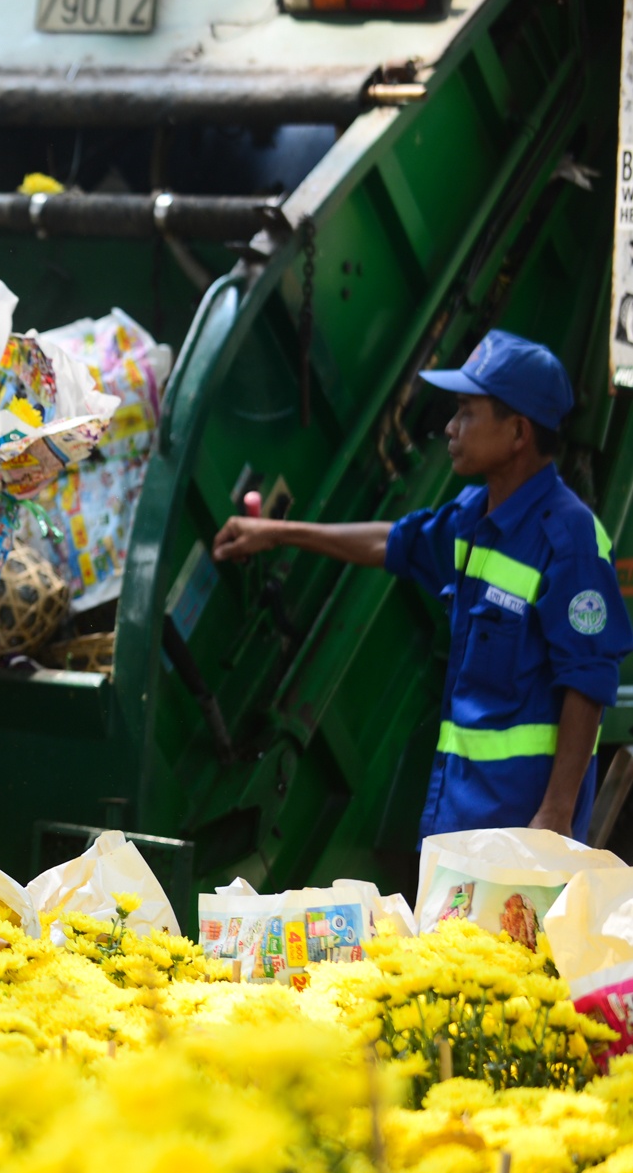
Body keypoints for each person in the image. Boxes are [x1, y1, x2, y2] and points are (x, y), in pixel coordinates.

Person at [213, 329, 633, 840]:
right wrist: (276, 533)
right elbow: (393, 542)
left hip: (521, 832)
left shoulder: (571, 541)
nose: (450, 428)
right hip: (456, 815)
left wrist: (555, 818)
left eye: (466, 412)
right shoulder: (473, 516)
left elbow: (588, 683)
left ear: (519, 432)